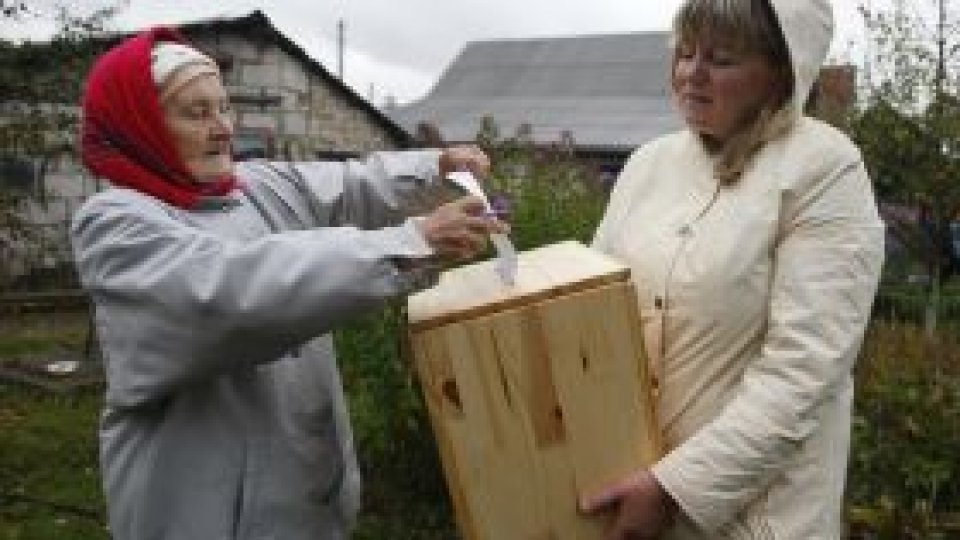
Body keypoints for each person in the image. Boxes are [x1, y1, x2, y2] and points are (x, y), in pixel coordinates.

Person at [70, 27, 507, 540]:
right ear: (140, 125)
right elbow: (231, 293)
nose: (223, 128)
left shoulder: (251, 187)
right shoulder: (116, 224)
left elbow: (353, 186)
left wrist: (436, 167)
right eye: (196, 113)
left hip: (305, 507)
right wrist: (410, 242)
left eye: (223, 107)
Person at [581, 0, 884, 538]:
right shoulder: (649, 164)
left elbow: (803, 370)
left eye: (721, 59)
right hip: (630, 499)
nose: (691, 73)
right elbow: (591, 302)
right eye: (685, 52)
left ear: (782, 73)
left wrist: (674, 489)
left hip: (760, 519)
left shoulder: (825, 169)